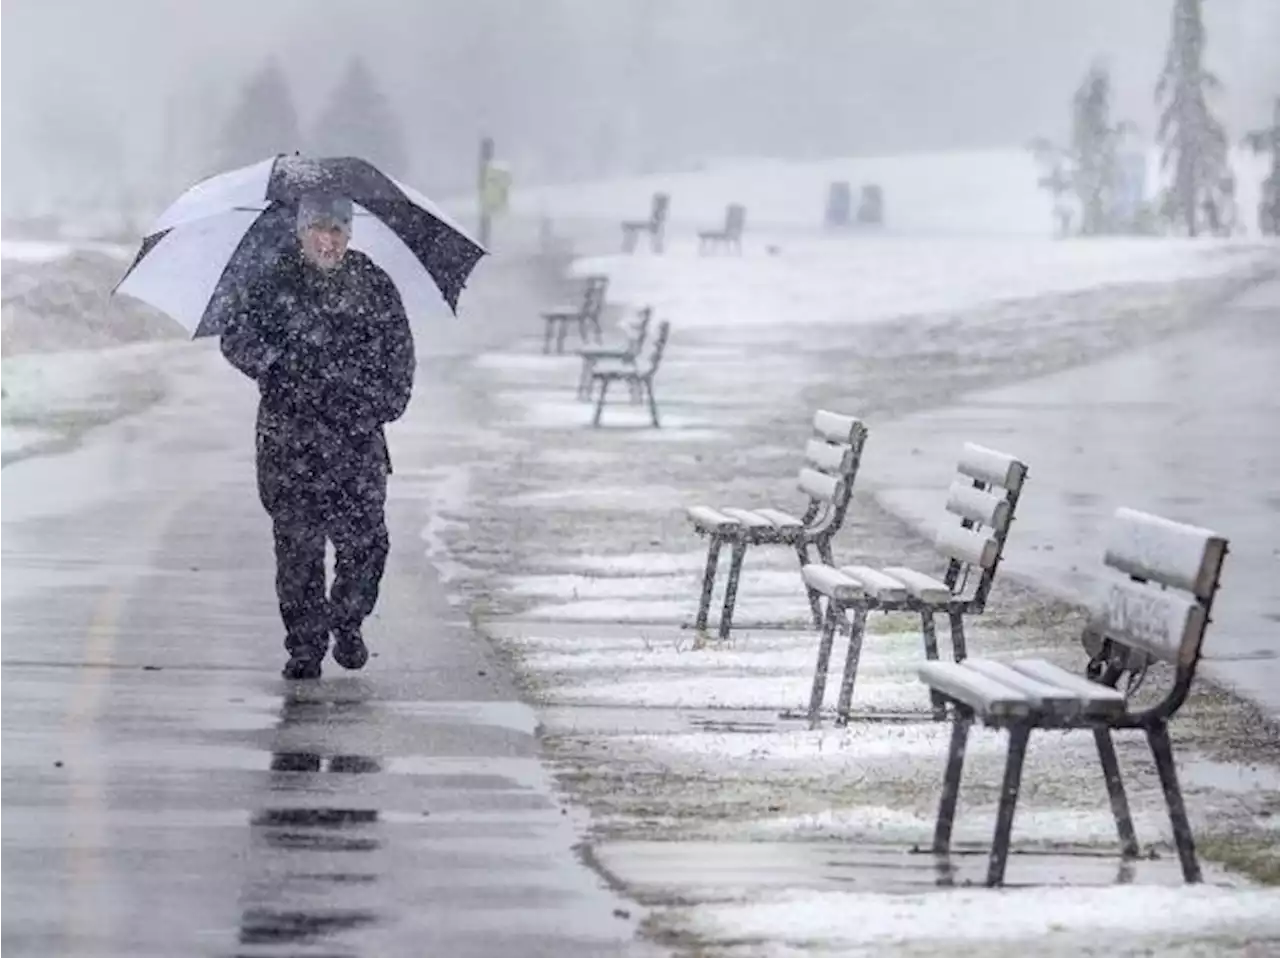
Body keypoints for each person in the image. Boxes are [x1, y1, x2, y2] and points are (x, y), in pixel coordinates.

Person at [220, 191, 415, 679]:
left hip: (355, 442)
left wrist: (376, 400)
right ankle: (304, 646)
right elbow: (235, 337)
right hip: (290, 441)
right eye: (318, 230)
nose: (328, 240)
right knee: (298, 550)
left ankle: (347, 620)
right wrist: (279, 367)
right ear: (301, 232)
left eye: (337, 230)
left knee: (366, 543)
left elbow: (398, 353)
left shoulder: (372, 284)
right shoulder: (271, 281)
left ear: (349, 233)